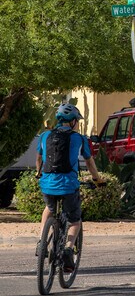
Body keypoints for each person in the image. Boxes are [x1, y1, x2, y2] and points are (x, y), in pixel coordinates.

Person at [35, 103, 102, 272]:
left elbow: (39, 159)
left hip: (47, 184)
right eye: (77, 121)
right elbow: (89, 161)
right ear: (72, 121)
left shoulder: (44, 136)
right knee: (74, 221)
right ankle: (68, 249)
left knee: (49, 208)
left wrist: (38, 174)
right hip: (68, 185)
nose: (78, 124)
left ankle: (41, 243)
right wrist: (97, 179)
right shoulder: (79, 138)